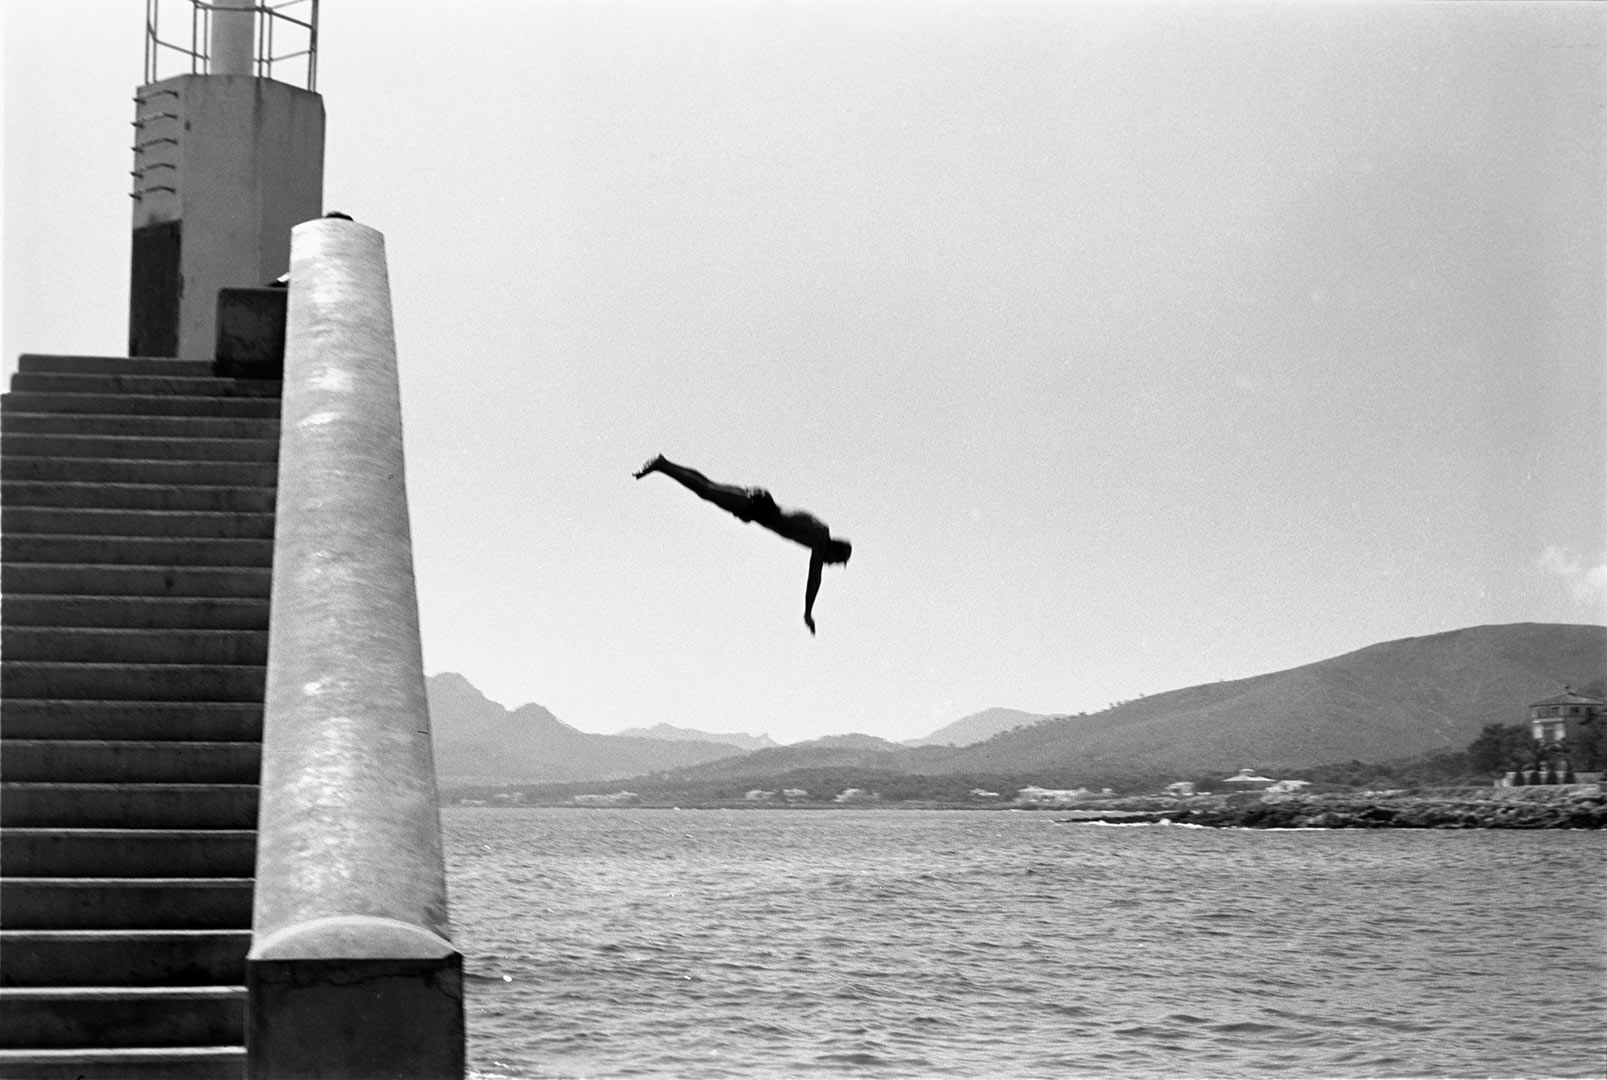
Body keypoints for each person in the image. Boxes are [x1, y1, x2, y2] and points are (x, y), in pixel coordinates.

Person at [634, 454, 852, 634]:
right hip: (758, 506)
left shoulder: (818, 537)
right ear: (834, 549)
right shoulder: (820, 536)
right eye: (835, 561)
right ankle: (662, 465)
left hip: (759, 506)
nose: (830, 564)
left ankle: (664, 464)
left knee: (708, 488)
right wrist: (808, 612)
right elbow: (814, 576)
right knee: (707, 491)